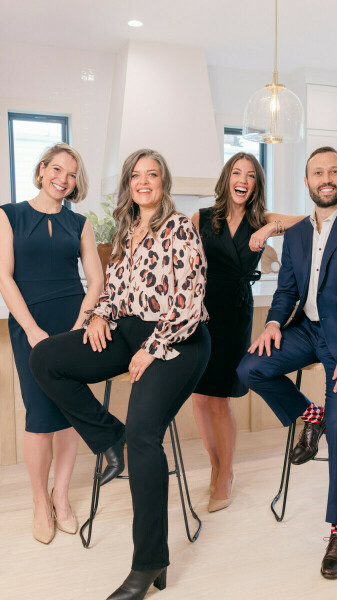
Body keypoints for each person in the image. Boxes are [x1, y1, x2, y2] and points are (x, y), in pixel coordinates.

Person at [30, 149, 211, 600]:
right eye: (136, 175)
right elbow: (114, 291)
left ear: (163, 182)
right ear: (129, 183)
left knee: (144, 435)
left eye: (152, 175)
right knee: (46, 358)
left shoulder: (180, 227)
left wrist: (152, 349)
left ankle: (149, 564)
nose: (144, 182)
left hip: (179, 339)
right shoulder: (126, 231)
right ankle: (109, 439)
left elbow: (189, 302)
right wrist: (97, 316)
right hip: (129, 331)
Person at [237, 146, 337, 579]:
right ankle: (312, 416)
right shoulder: (299, 232)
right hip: (308, 331)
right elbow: (287, 289)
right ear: (306, 182)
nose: (326, 179)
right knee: (250, 368)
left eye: (334, 172)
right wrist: (272, 323)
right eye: (318, 173)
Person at [0, 143, 103, 544]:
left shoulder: (79, 223)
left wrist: (79, 327)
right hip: (30, 324)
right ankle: (39, 501)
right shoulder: (9, 215)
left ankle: (61, 496)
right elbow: (4, 277)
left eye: (72, 174)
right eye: (57, 169)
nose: (63, 179)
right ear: (42, 169)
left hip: (72, 324)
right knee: (40, 415)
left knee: (69, 410)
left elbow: (96, 280)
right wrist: (30, 329)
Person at [191, 151, 303, 512]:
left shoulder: (263, 219)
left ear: (256, 184)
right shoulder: (201, 217)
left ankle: (226, 473)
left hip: (234, 310)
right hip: (199, 311)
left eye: (251, 175)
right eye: (237, 173)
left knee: (220, 398)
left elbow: (313, 220)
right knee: (199, 396)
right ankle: (215, 464)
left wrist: (270, 229)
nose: (243, 180)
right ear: (227, 179)